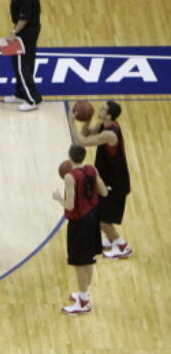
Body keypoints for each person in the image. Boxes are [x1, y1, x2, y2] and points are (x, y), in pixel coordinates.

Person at [69, 101, 133, 259]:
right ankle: (111, 240)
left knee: (102, 218)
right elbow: (84, 135)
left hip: (115, 182)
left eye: (104, 109)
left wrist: (71, 122)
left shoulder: (110, 134)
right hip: (108, 178)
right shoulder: (103, 125)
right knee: (98, 212)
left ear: (109, 115)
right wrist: (87, 122)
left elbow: (81, 143)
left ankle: (122, 246)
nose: (101, 109)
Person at [53, 144, 109, 315]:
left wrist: (58, 198)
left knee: (79, 262)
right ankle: (84, 294)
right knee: (89, 258)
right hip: (93, 218)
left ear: (70, 157)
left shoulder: (70, 177)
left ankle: (84, 303)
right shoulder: (92, 170)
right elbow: (104, 192)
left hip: (79, 222)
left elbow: (69, 205)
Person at [1, 0, 42, 111]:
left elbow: (24, 17)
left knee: (23, 65)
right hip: (23, 29)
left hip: (26, 31)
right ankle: (20, 93)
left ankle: (33, 99)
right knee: (17, 62)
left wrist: (13, 32)